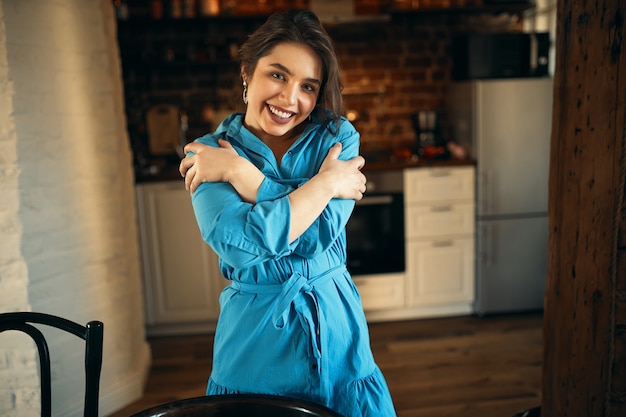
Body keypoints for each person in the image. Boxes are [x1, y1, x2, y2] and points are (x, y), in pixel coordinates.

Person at [178, 8, 397, 417]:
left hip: (339, 340)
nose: (290, 99)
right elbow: (244, 249)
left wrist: (246, 178)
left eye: (308, 86)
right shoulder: (206, 154)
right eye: (277, 75)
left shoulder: (336, 138)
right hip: (256, 347)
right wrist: (325, 184)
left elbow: (317, 238)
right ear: (247, 72)